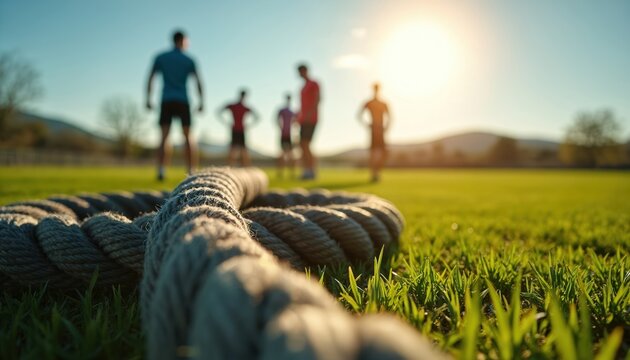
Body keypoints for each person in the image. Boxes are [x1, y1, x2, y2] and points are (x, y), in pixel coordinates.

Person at [146, 30, 203, 181]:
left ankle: (161, 170)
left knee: (164, 136)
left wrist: (148, 98)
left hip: (167, 100)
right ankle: (191, 170)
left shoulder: (161, 57)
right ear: (183, 41)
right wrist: (201, 101)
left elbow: (150, 78)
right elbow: (198, 81)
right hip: (182, 100)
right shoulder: (189, 59)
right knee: (188, 135)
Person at [358, 82, 391, 182]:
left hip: (381, 130)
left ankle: (377, 172)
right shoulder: (369, 102)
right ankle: (374, 174)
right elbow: (359, 115)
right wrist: (367, 125)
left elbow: (390, 117)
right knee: (373, 152)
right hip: (373, 129)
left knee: (383, 153)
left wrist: (386, 127)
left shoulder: (384, 103)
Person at [217, 89, 259, 166]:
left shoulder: (242, 107)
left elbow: (257, 117)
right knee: (235, 149)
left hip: (241, 130)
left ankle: (246, 167)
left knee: (243, 150)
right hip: (236, 129)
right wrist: (226, 122)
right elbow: (219, 111)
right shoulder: (234, 106)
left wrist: (249, 125)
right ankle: (230, 166)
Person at [296, 63, 320, 180]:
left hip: (311, 119)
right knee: (302, 145)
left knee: (306, 144)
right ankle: (306, 170)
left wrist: (310, 113)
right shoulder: (302, 87)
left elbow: (317, 98)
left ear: (305, 71)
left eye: (301, 71)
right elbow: (302, 105)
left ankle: (312, 170)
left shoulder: (313, 84)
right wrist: (298, 116)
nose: (300, 74)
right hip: (303, 119)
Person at [276, 94, 296, 178]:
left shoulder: (292, 111)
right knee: (282, 154)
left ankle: (292, 173)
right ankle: (280, 172)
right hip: (283, 135)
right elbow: (277, 119)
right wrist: (280, 127)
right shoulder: (282, 110)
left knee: (290, 154)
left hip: (289, 135)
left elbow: (295, 122)